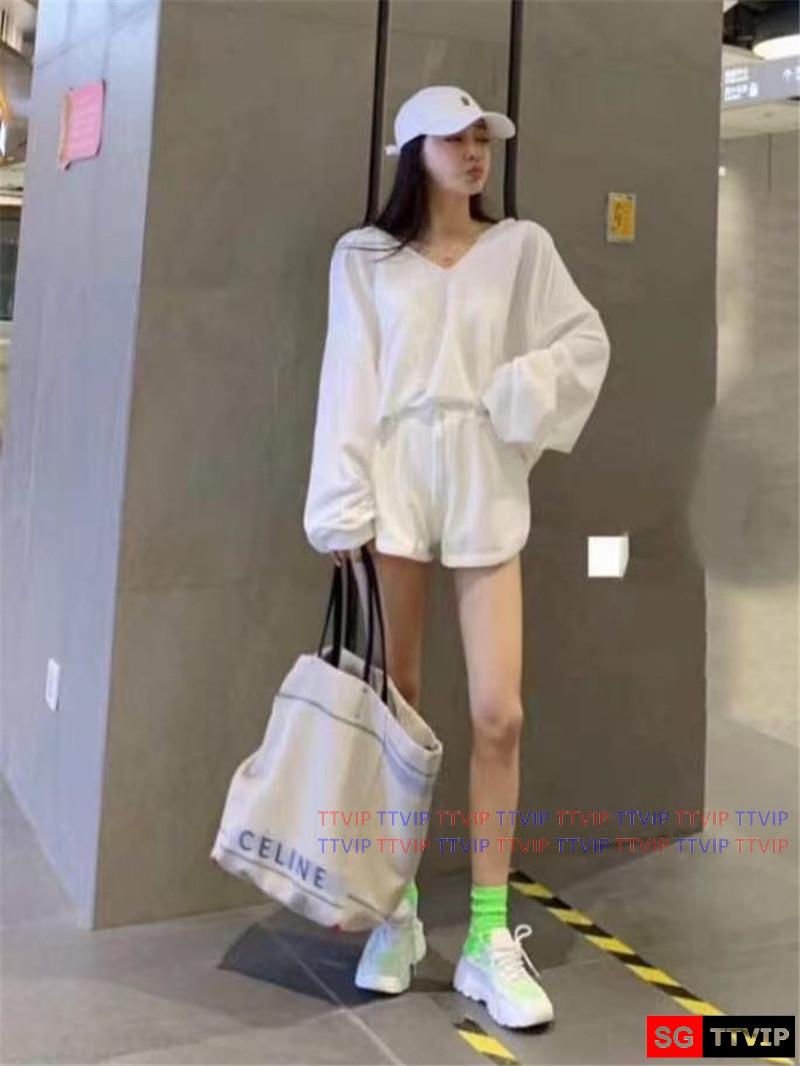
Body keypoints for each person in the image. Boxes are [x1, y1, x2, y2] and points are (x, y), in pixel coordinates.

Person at [303, 85, 611, 1029]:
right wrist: (342, 509)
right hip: (396, 476)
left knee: (498, 714)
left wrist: (519, 392)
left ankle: (485, 935)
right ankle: (396, 913)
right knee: (399, 713)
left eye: (484, 139)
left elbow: (583, 340)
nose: (476, 153)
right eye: (457, 140)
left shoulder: (522, 248)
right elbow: (348, 378)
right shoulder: (365, 257)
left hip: (481, 476)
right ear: (415, 152)